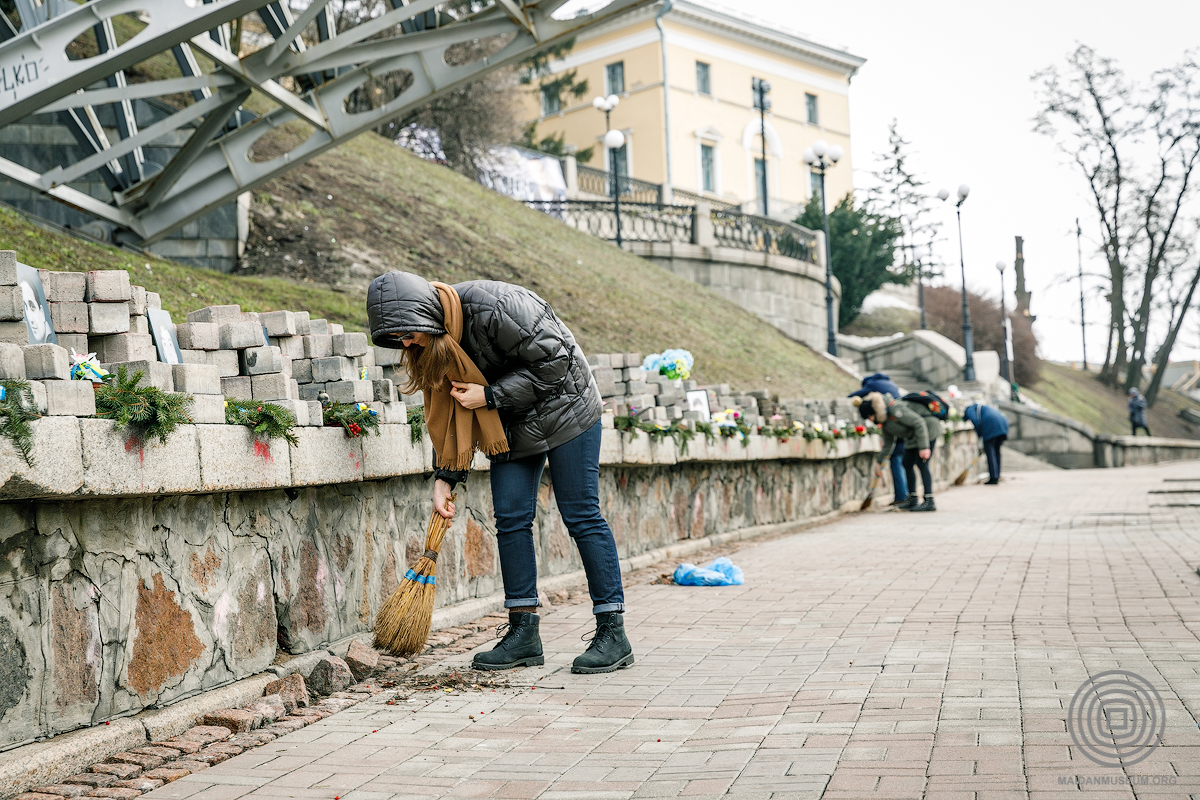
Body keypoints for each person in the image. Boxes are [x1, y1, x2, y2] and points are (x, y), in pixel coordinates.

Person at [368, 271, 633, 674]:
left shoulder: (497, 306)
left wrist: (490, 395)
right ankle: (523, 632)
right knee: (510, 518)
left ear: (426, 314)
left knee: (581, 513)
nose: (407, 344)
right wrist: (446, 478)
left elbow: (556, 363)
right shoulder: (434, 343)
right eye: (398, 338)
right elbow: (453, 412)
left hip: (568, 409)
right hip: (512, 423)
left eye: (409, 333)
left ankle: (613, 632)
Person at [855, 391, 942, 512]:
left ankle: (929, 500)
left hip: (927, 430)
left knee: (922, 463)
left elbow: (919, 422)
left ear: (874, 412)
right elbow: (888, 444)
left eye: (870, 417)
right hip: (913, 437)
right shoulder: (885, 422)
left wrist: (924, 447)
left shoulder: (895, 410)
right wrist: (879, 463)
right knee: (907, 462)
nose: (870, 420)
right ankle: (912, 499)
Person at [849, 373, 906, 507]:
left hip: (892, 422)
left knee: (895, 460)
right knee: (901, 461)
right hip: (900, 422)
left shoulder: (872, 385)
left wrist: (850, 398)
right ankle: (905, 495)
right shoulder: (890, 383)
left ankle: (901, 496)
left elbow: (858, 394)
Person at [964, 402, 1009, 484]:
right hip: (1003, 427)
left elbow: (975, 420)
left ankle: (993, 478)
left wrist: (980, 434)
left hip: (991, 428)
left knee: (990, 452)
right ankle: (997, 475)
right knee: (996, 452)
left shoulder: (969, 409)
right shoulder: (984, 408)